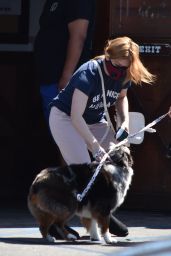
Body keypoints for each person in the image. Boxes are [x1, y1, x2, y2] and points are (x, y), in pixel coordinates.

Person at [48, 36, 156, 237]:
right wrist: (95, 145)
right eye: (117, 66)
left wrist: (123, 122)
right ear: (108, 56)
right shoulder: (88, 73)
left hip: (95, 120)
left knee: (118, 158)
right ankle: (57, 221)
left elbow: (121, 98)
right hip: (66, 118)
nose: (121, 72)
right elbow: (75, 116)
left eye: (126, 68)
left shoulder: (125, 73)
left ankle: (101, 210)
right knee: (84, 172)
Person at [34, 0, 96, 122]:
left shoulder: (78, 3)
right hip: (48, 77)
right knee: (55, 126)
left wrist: (67, 77)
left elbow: (78, 36)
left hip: (62, 81)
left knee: (64, 130)